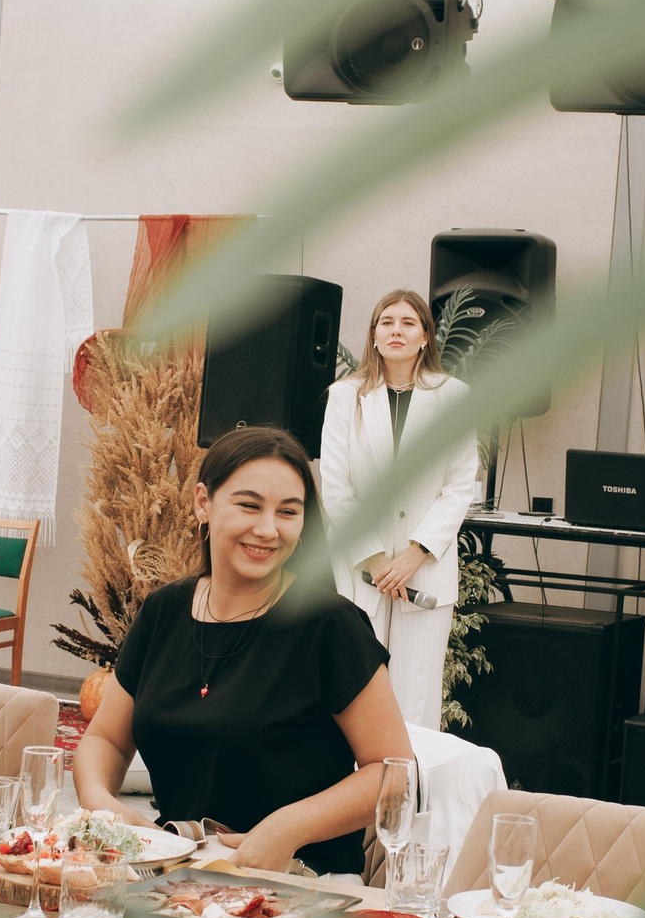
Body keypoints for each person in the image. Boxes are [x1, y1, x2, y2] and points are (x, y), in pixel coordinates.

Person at [74, 426, 416, 875]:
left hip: (301, 885)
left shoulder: (330, 626)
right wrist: (101, 803)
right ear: (203, 503)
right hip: (174, 874)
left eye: (288, 512)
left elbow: (395, 775)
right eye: (249, 505)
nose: (268, 529)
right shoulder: (163, 611)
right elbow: (106, 739)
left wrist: (288, 827)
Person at [317, 289, 481, 731]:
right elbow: (334, 485)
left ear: (426, 336)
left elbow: (460, 484)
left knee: (416, 699)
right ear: (373, 335)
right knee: (356, 694)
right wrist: (375, 560)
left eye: (408, 322)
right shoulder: (345, 396)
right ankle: (352, 796)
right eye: (386, 321)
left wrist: (413, 555)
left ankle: (408, 797)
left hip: (423, 570)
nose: (396, 330)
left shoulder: (454, 396)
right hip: (361, 569)